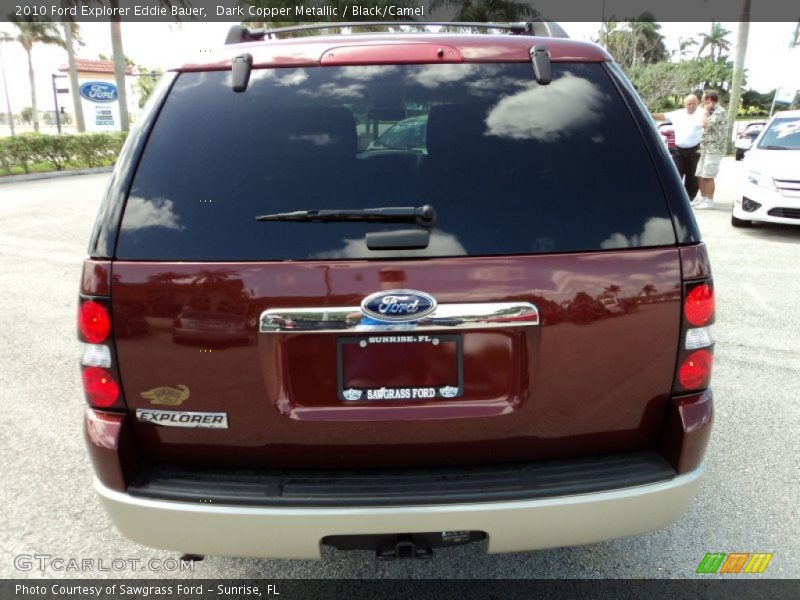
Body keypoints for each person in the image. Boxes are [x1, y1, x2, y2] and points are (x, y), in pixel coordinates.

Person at [653, 94, 703, 202]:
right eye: (689, 104)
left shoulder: (702, 113)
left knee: (692, 175)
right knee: (675, 173)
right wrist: (647, 113)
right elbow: (662, 116)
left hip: (694, 148)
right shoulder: (677, 114)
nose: (691, 106)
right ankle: (672, 196)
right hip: (678, 149)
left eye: (694, 103)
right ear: (685, 104)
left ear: (697, 104)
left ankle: (690, 197)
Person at [693, 90, 727, 210]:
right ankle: (702, 198)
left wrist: (706, 112)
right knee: (700, 174)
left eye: (704, 99)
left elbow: (704, 124)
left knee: (708, 175)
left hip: (714, 148)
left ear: (710, 100)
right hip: (705, 147)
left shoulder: (719, 112)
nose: (702, 101)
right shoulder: (711, 111)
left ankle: (709, 200)